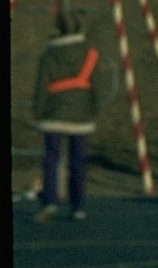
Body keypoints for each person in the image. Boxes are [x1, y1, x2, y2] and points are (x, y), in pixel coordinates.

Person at [31, 13, 117, 222]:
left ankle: (49, 201)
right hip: (81, 114)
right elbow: (97, 87)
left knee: (51, 159)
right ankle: (77, 205)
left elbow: (41, 88)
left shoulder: (49, 55)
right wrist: (93, 110)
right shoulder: (90, 54)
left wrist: (38, 112)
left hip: (53, 112)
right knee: (77, 160)